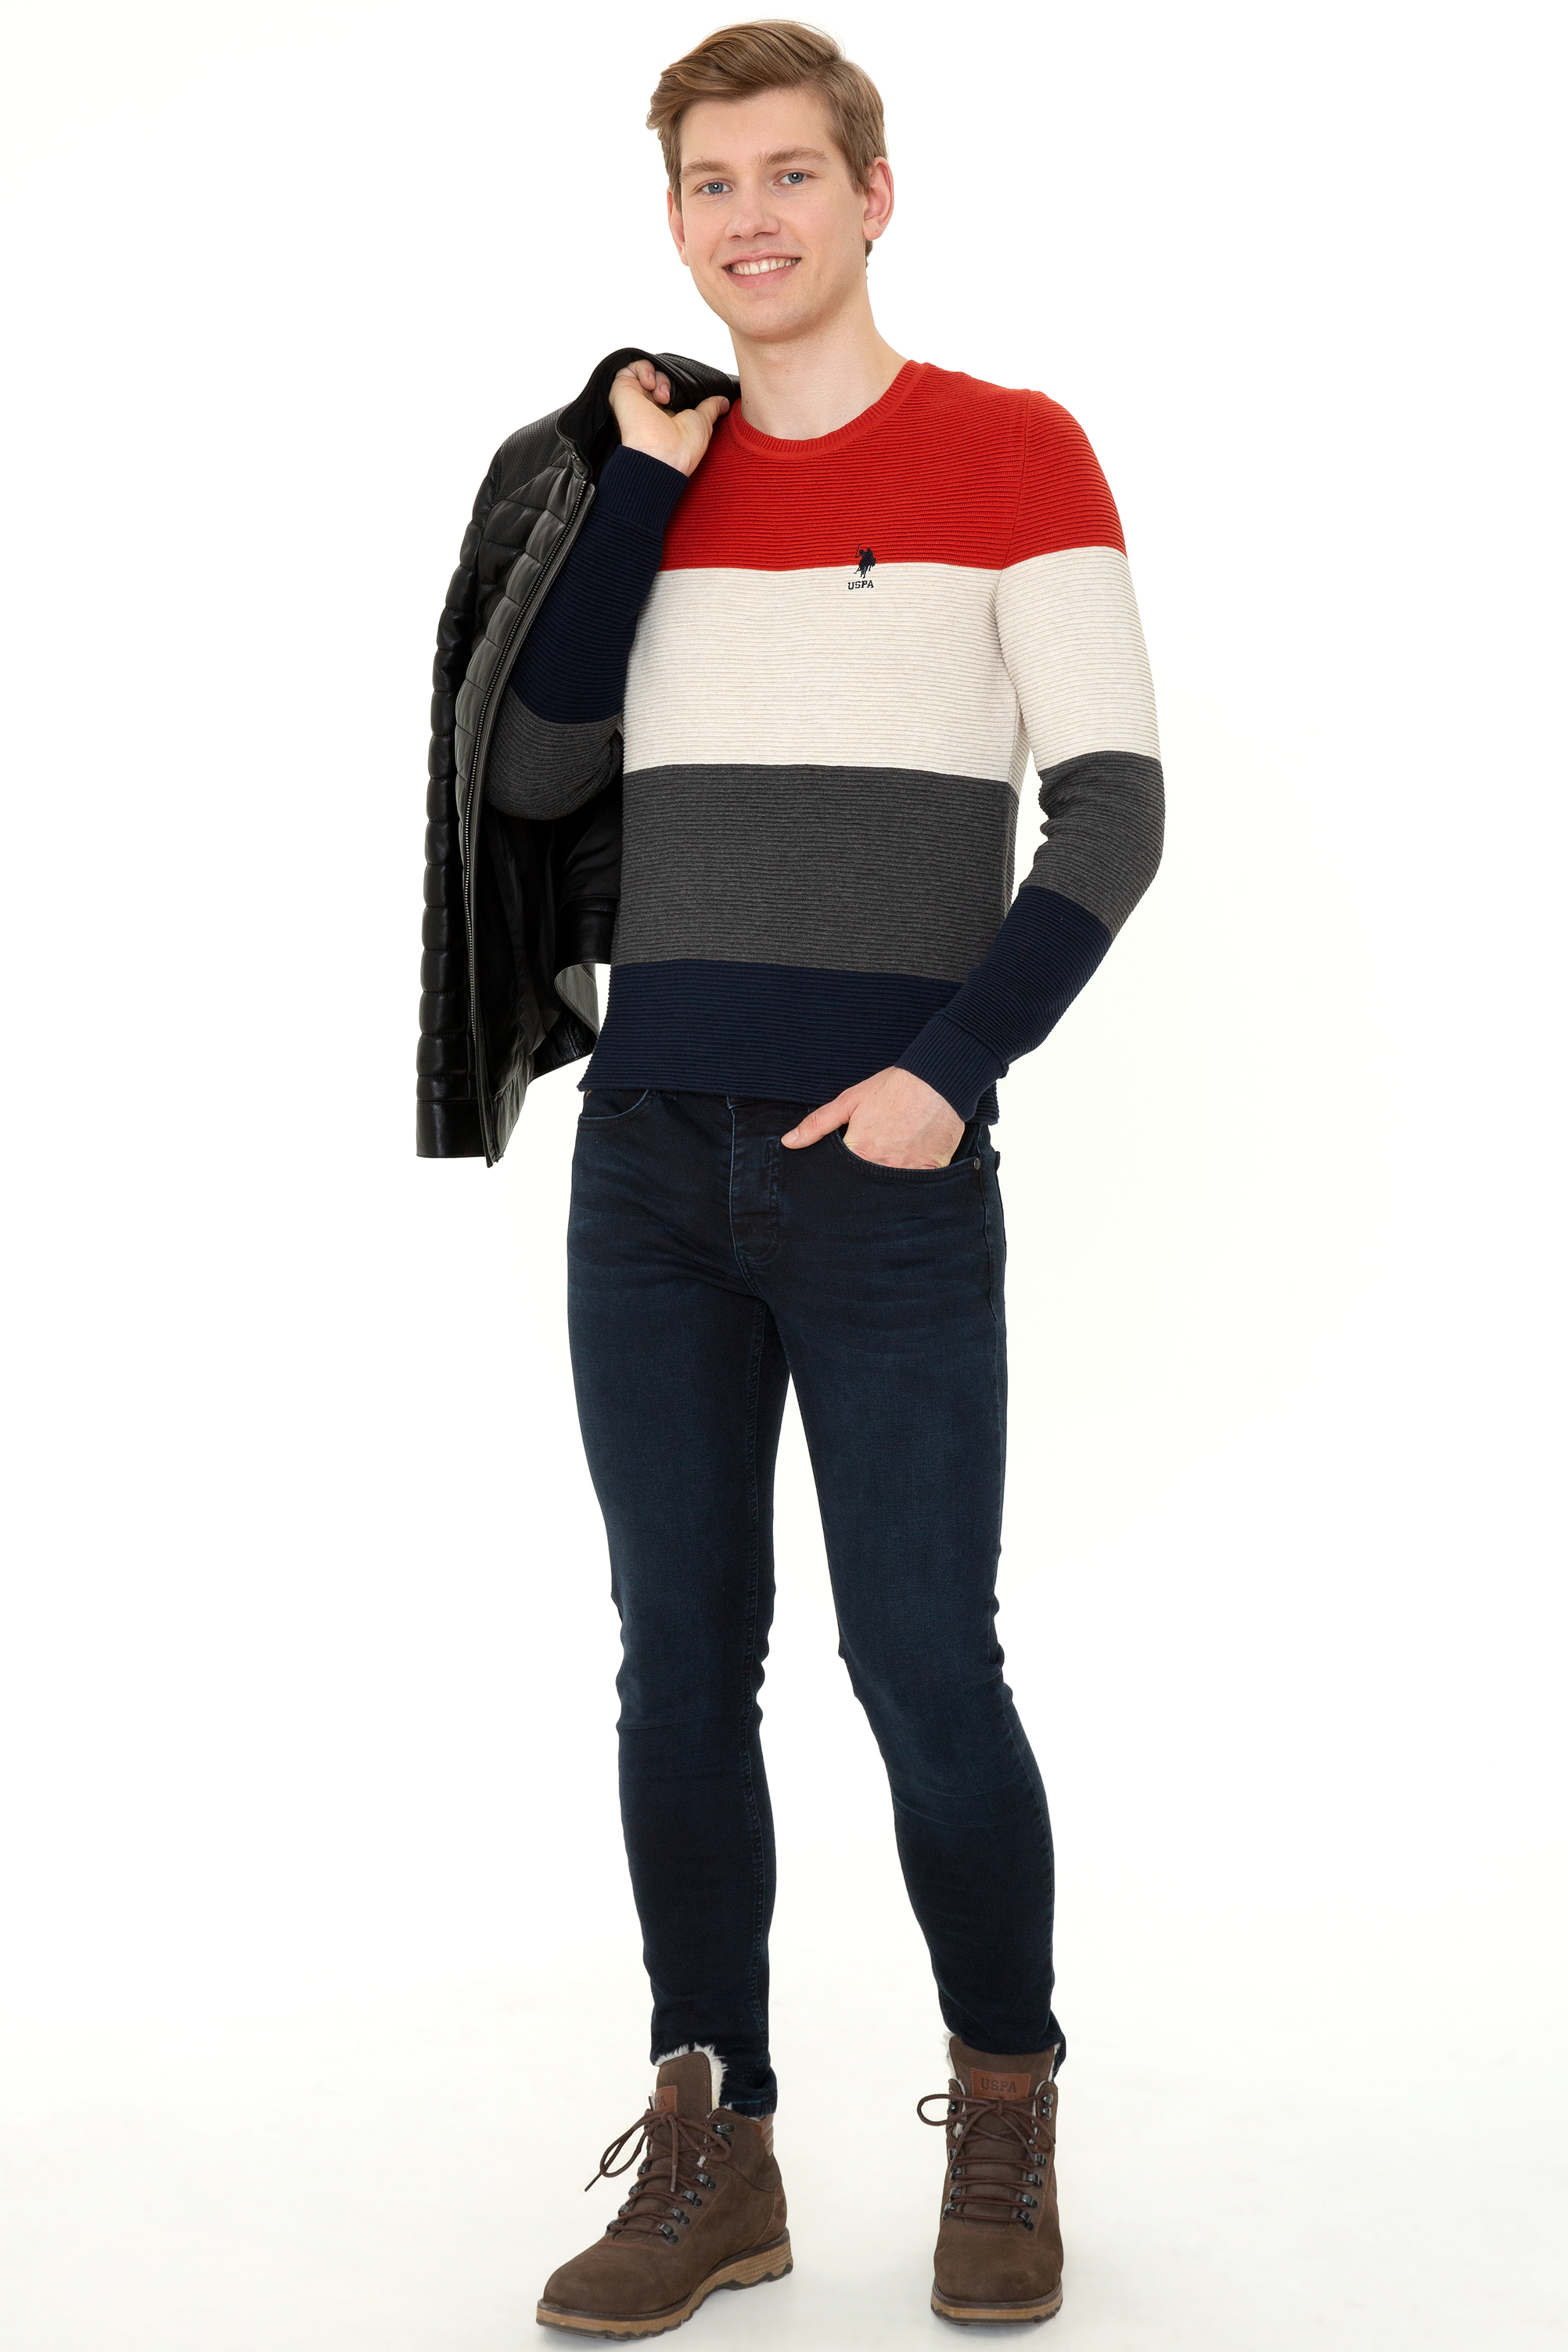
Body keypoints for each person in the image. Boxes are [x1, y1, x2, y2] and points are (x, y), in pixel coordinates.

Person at [433, 21, 1163, 2334]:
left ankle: (1006, 2108)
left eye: (786, 174)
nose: (746, 218)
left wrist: (953, 1068)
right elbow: (533, 774)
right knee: (677, 1667)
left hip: (885, 1178)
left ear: (872, 193)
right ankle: (716, 2142)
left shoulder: (1011, 448)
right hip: (649, 1164)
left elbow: (1115, 809)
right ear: (674, 220)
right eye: (707, 185)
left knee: (925, 1662)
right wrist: (641, 491)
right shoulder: (636, 469)